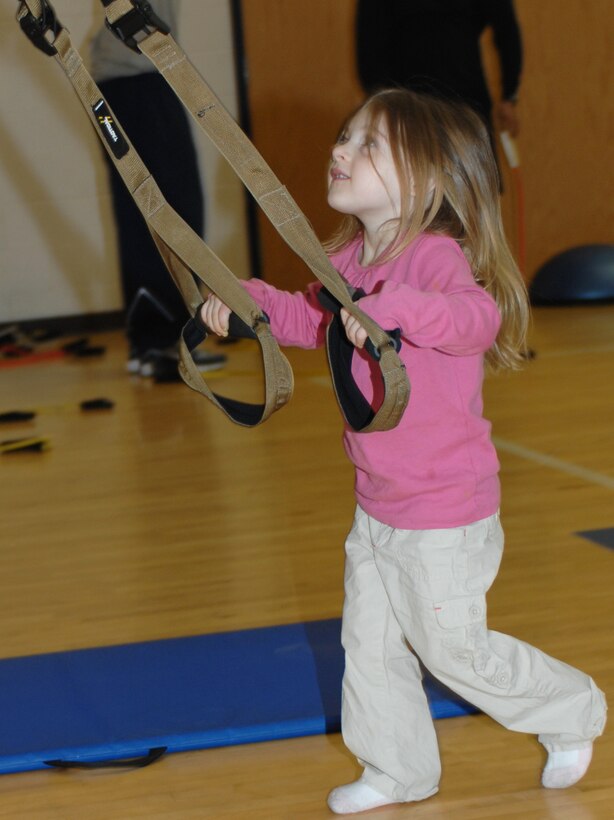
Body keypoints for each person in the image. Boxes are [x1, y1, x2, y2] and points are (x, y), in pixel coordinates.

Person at [201, 88, 606, 813]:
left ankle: (572, 708)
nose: (339, 150)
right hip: (379, 504)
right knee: (371, 645)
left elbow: (475, 318)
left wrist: (399, 310)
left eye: (367, 145)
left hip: (445, 509)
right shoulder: (352, 258)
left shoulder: (434, 256)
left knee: (453, 651)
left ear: (425, 180)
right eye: (344, 135)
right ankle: (397, 770)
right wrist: (247, 302)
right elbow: (306, 317)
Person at [89, 0, 226, 378]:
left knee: (168, 210)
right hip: (134, 82)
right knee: (164, 212)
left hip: (138, 81)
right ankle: (158, 341)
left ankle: (158, 340)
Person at [356, 0, 522, 142]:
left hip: (462, 104)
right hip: (408, 105)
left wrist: (509, 94)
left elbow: (506, 29)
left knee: (471, 175)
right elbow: (369, 42)